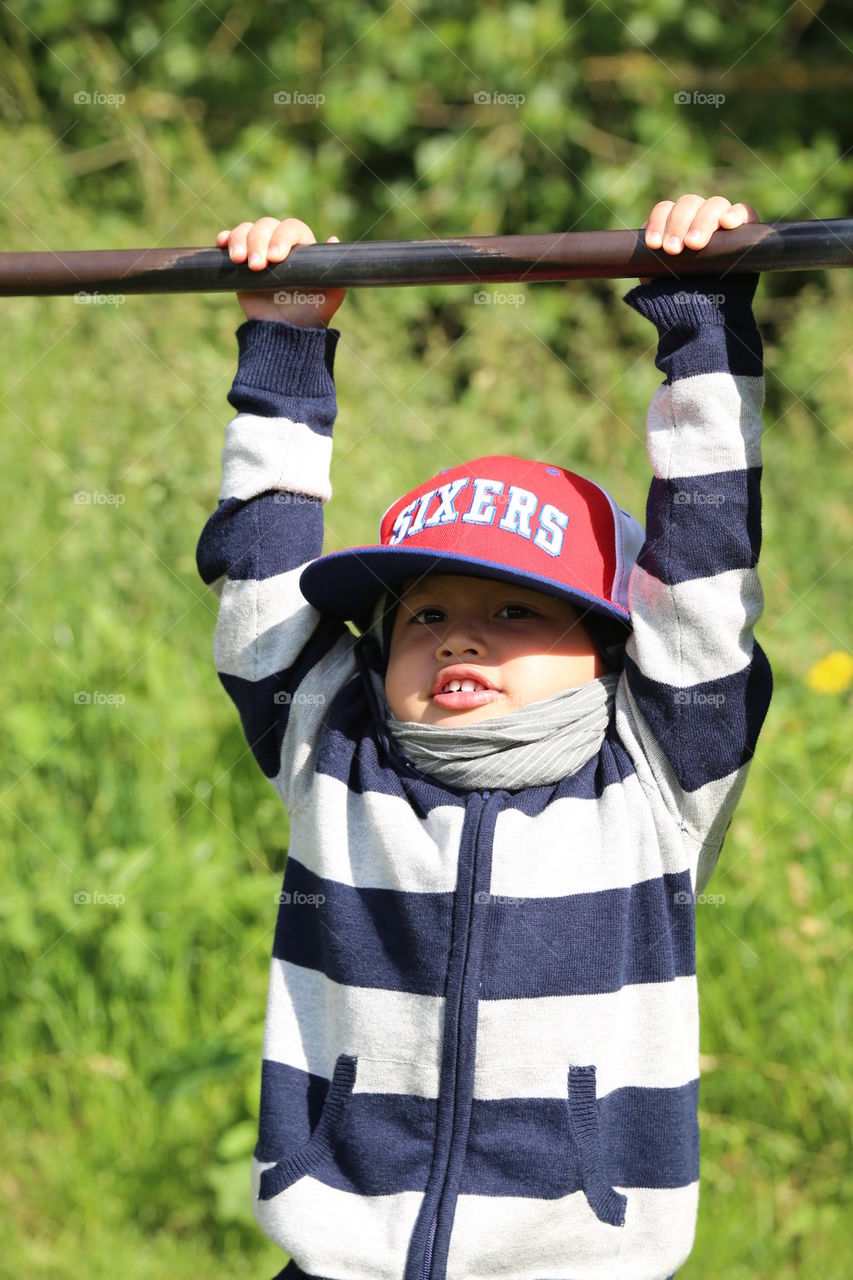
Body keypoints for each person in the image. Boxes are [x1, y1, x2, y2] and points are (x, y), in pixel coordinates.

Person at [197, 194, 772, 1280]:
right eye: (424, 614)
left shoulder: (654, 775)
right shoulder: (336, 758)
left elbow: (705, 577)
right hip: (339, 1255)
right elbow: (260, 585)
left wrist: (698, 316)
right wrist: (286, 338)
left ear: (610, 648)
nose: (459, 633)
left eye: (514, 611)